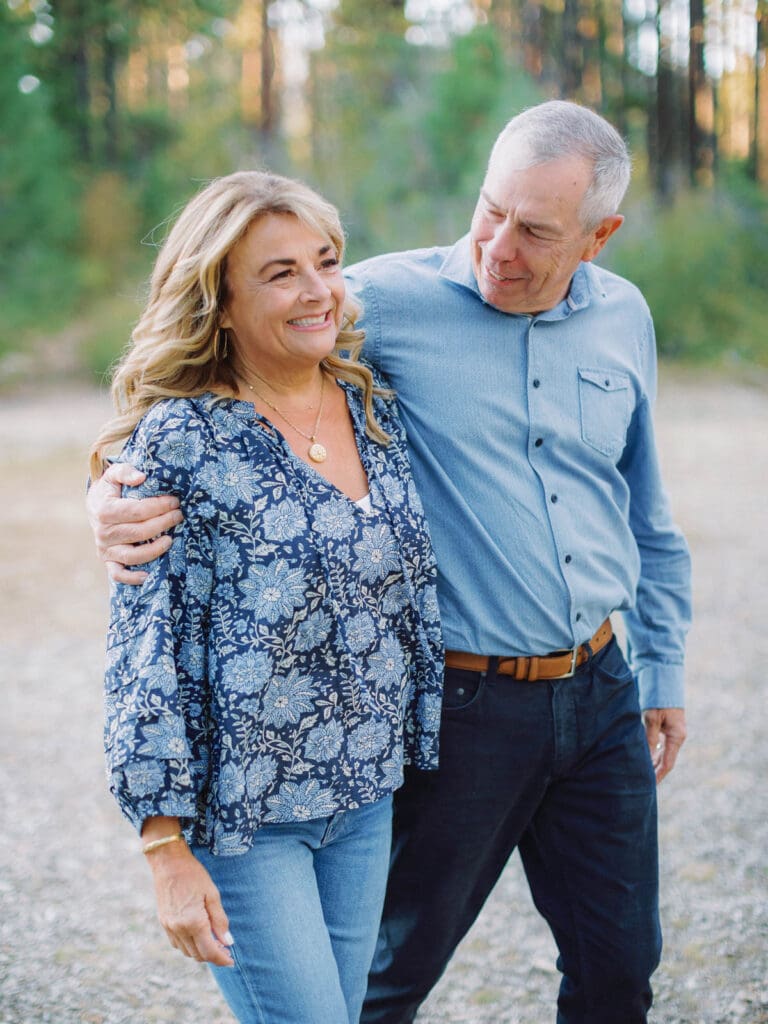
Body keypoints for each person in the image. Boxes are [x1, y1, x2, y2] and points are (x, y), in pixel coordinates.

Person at [88, 101, 692, 1024]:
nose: (498, 246)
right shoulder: (373, 304)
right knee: (384, 982)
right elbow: (215, 361)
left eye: (536, 231)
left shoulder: (626, 319)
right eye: (492, 210)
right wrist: (104, 494)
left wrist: (664, 664)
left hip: (603, 687)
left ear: (599, 237)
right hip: (465, 707)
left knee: (620, 970)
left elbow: (644, 510)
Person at [89, 170, 443, 1024]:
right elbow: (146, 654)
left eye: (326, 261)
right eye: (280, 273)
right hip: (244, 822)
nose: (317, 290)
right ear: (219, 303)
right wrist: (165, 847)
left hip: (363, 800)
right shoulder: (184, 439)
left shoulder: (370, 405)